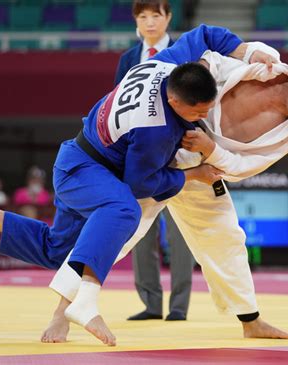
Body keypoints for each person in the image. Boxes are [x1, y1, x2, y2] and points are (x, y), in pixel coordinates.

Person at [0, 24, 258, 347]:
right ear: (173, 99)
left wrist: (247, 52)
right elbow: (141, 184)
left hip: (80, 160)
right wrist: (193, 176)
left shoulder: (163, 64)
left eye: (206, 109)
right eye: (197, 111)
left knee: (58, 251)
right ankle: (86, 299)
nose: (202, 116)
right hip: (84, 170)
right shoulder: (156, 129)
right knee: (124, 207)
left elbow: (204, 34)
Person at [44, 43, 288, 343]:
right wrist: (220, 63)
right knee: (120, 228)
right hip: (162, 145)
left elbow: (241, 167)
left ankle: (251, 320)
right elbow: (213, 57)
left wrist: (211, 150)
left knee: (226, 239)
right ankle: (63, 311)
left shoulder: (287, 136)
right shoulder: (264, 63)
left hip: (203, 167)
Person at [115, 0, 195, 322]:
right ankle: (150, 303)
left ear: (168, 18)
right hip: (141, 155)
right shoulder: (128, 60)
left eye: (155, 16)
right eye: (143, 17)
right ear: (136, 20)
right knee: (140, 232)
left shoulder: (183, 54)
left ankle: (179, 306)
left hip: (177, 152)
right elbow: (120, 105)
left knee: (179, 233)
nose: (150, 23)